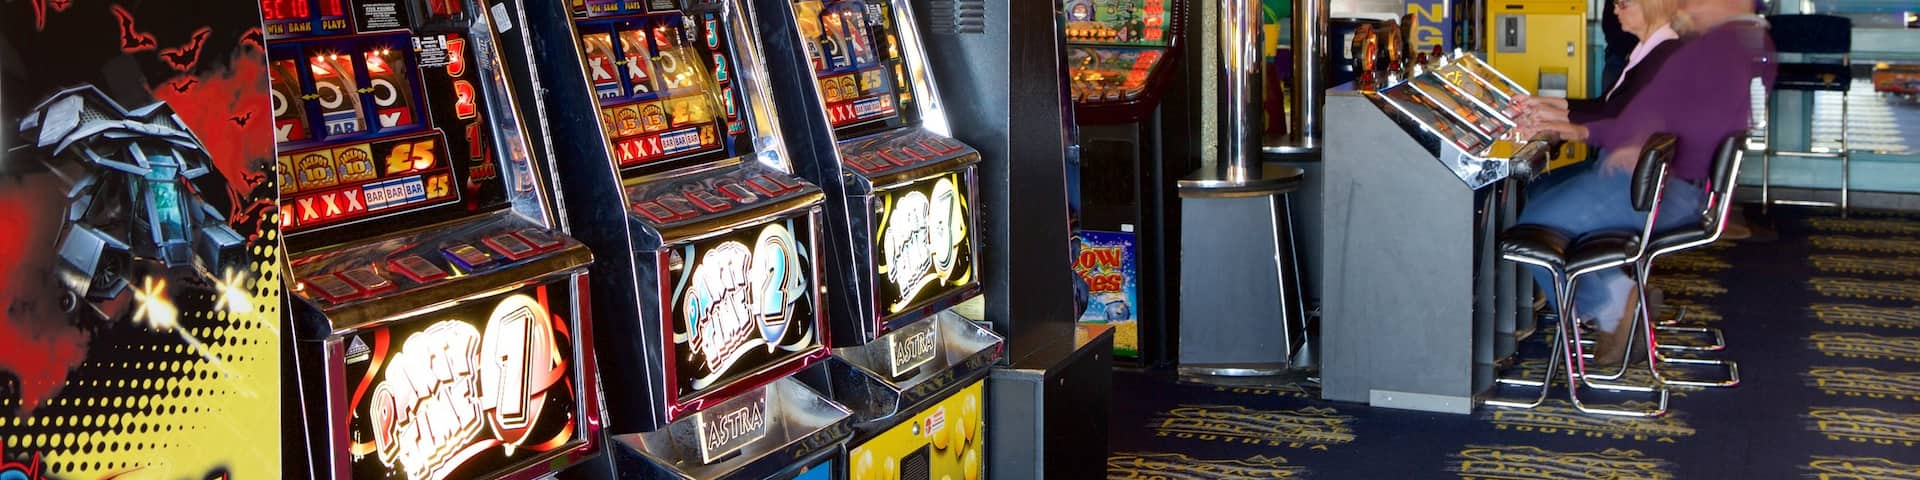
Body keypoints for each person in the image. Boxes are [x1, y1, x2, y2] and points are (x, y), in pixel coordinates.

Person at [1510, 0, 1775, 368]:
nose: (1691, 7)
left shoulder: (1724, 47)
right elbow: (1643, 114)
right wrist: (1588, 130)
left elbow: (1694, 124)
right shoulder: (1716, 46)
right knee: (1538, 202)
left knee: (1531, 229)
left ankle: (1614, 306)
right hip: (1659, 180)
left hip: (1664, 188)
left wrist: (1638, 144)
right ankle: (1614, 303)